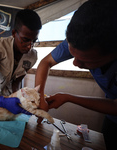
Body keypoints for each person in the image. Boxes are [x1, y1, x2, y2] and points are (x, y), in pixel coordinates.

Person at [35, 0, 117, 149]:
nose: (75, 64)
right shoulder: (81, 39)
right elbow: (45, 62)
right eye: (73, 55)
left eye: (85, 61)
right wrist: (39, 95)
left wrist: (69, 97)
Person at [0, 9, 42, 115]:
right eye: (25, 39)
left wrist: (18, 96)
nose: (29, 46)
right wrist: (1, 100)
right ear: (14, 33)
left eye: (34, 41)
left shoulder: (33, 56)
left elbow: (17, 81)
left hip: (9, 97)